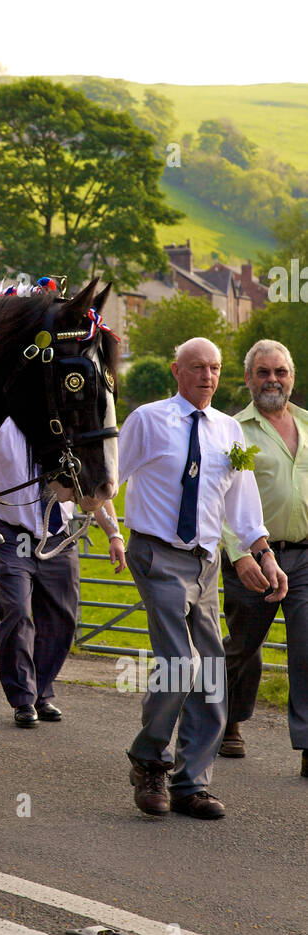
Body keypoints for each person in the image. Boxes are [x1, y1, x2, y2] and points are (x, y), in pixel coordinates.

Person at [118, 337, 287, 820]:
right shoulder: (147, 420)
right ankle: (150, 761)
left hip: (206, 561)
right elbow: (109, 476)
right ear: (177, 371)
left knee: (211, 669)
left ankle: (192, 783)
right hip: (156, 553)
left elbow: (243, 504)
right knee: (179, 661)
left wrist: (263, 554)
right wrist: (103, 524)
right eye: (197, 368)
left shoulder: (229, 430)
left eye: (214, 368)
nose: (207, 377)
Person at [0, 418, 126, 727]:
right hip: (14, 535)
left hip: (59, 536)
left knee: (63, 617)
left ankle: (41, 691)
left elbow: (91, 488)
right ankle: (23, 698)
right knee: (17, 610)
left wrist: (114, 535)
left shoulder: (62, 425)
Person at [220, 340, 308, 770]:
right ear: (248, 379)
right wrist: (242, 555)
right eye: (263, 372)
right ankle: (225, 720)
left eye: (280, 372)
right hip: (252, 558)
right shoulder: (234, 430)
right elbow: (221, 502)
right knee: (242, 647)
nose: (273, 379)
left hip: (305, 558)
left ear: (291, 377)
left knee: (307, 648)